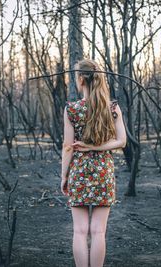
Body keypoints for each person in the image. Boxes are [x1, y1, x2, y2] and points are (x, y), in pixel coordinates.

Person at [60, 59, 126, 267]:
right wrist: (97, 148)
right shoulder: (112, 107)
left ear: (81, 79)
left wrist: (64, 176)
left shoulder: (72, 109)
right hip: (103, 173)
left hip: (79, 172)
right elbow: (122, 141)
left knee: (79, 231)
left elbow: (68, 146)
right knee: (99, 231)